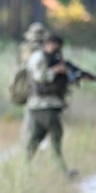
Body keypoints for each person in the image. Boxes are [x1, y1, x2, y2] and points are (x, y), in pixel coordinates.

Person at [24, 33, 77, 177]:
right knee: (56, 134)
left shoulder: (54, 57)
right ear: (47, 44)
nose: (55, 48)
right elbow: (39, 76)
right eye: (53, 44)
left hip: (47, 104)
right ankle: (61, 171)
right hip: (42, 104)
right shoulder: (38, 57)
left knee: (35, 139)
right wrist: (56, 70)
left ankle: (23, 169)